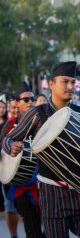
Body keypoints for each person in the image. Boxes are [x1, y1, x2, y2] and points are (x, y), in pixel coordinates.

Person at [2, 61, 80, 238]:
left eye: (73, 82)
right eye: (65, 81)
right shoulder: (37, 113)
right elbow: (9, 138)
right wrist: (12, 146)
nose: (70, 86)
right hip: (52, 194)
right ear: (52, 84)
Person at [2, 81, 45, 238]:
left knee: (50, 228)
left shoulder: (41, 121)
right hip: (22, 187)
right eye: (26, 100)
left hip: (45, 185)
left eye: (32, 99)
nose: (30, 102)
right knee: (32, 228)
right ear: (16, 103)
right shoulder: (8, 127)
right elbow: (3, 147)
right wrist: (11, 146)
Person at [1, 97, 19, 238]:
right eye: (12, 107)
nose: (15, 110)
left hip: (27, 174)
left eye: (16, 106)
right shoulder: (5, 126)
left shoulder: (28, 122)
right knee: (10, 205)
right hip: (8, 172)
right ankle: (13, 235)